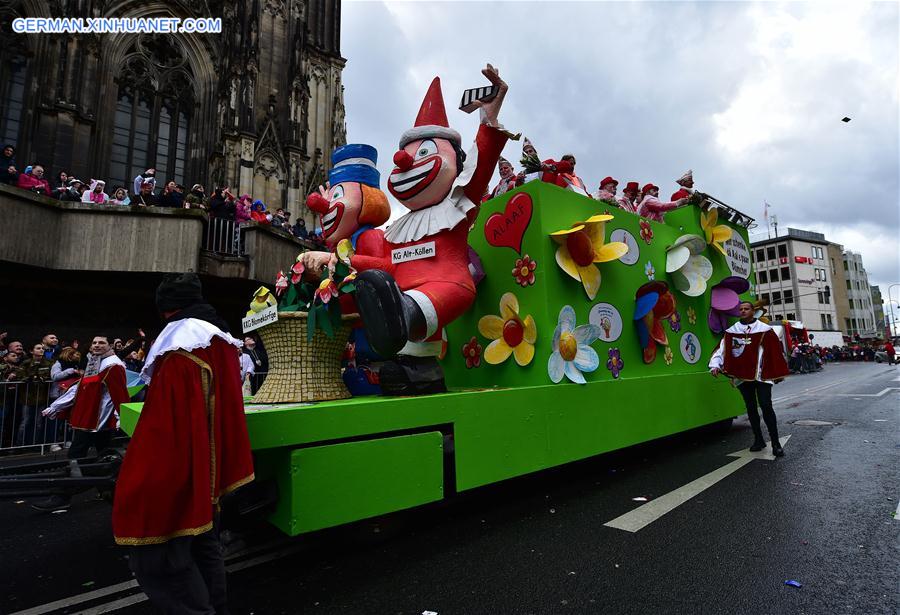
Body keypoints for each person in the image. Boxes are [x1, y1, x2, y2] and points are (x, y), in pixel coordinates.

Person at [112, 273, 253, 614]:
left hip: (180, 471)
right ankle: (213, 605)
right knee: (205, 544)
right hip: (209, 470)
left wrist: (140, 482)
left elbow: (166, 428)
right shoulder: (218, 341)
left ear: (165, 312)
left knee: (162, 560)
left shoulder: (180, 349)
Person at [709, 301, 790, 456]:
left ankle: (775, 443)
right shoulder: (733, 331)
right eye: (741, 309)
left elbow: (775, 352)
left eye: (746, 309)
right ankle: (758, 439)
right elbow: (722, 349)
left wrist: (775, 371)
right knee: (751, 407)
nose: (743, 311)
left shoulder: (765, 329)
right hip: (742, 375)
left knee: (766, 406)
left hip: (761, 376)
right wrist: (715, 365)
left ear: (753, 311)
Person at [14, 343, 53, 446]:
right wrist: (30, 378)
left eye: (42, 349)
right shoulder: (25, 363)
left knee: (39, 423)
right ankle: (19, 445)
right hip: (27, 397)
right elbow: (20, 376)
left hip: (42, 397)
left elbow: (50, 376)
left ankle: (35, 444)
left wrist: (41, 379)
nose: (41, 350)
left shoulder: (48, 363)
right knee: (25, 422)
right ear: (32, 351)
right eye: (38, 348)